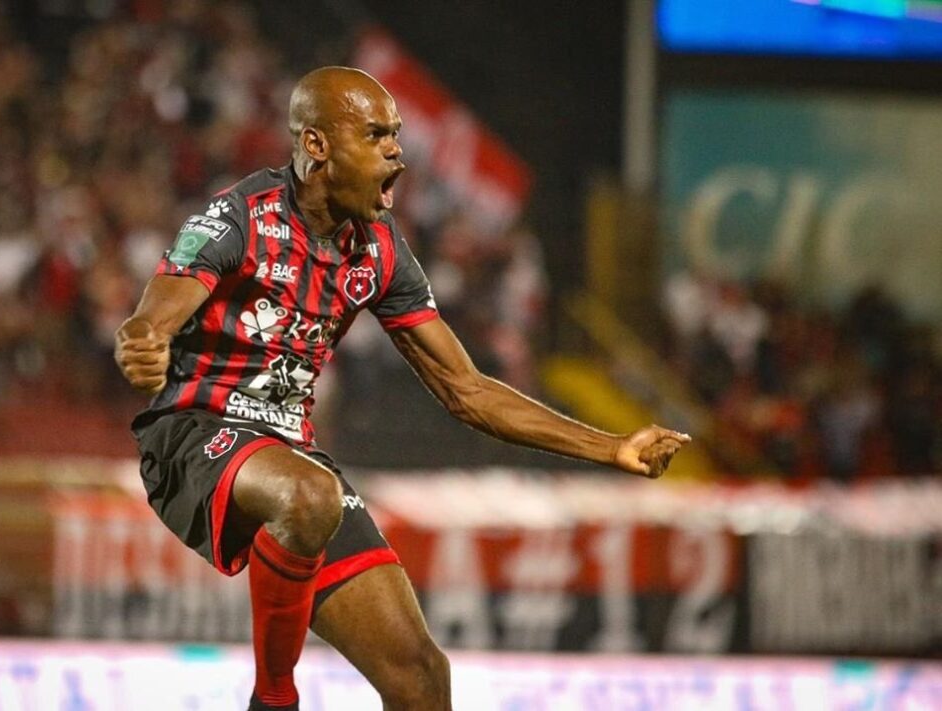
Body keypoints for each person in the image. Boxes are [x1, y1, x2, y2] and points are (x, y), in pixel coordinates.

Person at [115, 66, 690, 711]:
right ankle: (274, 700)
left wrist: (610, 447)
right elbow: (157, 311)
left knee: (422, 679)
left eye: (396, 134)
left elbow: (467, 390)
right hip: (193, 435)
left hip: (287, 457)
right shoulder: (239, 217)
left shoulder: (380, 251)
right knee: (310, 494)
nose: (397, 152)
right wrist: (146, 337)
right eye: (376, 135)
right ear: (316, 146)